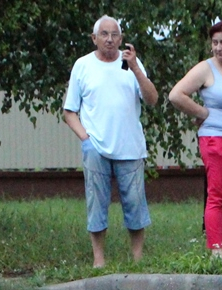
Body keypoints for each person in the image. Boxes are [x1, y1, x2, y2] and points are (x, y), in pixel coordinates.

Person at [63, 15, 159, 268]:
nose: (109, 39)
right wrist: (86, 139)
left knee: (135, 203)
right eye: (104, 34)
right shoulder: (83, 65)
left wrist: (136, 68)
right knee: (97, 203)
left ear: (121, 38)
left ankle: (137, 259)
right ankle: (99, 260)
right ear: (94, 38)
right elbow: (69, 112)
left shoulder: (131, 64)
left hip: (130, 147)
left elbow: (152, 99)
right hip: (96, 147)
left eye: (114, 34)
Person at [169, 21, 222, 269]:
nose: (218, 48)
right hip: (216, 139)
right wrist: (202, 112)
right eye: (215, 43)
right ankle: (217, 252)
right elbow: (176, 95)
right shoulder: (205, 69)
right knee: (218, 194)